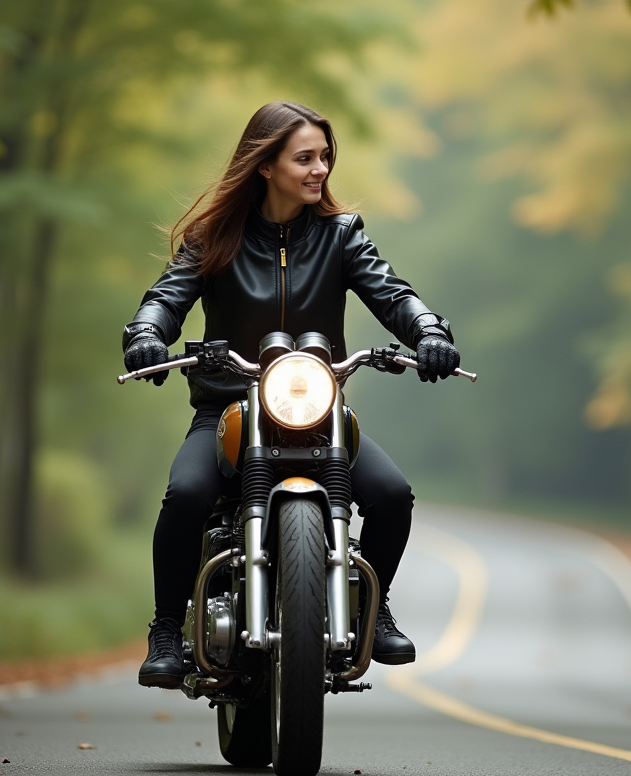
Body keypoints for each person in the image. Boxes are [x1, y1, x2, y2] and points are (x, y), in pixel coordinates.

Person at [123, 101, 460, 688]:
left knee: (393, 495)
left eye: (325, 157)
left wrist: (429, 329)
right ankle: (167, 630)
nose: (320, 169)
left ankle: (369, 607)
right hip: (227, 409)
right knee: (186, 494)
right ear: (264, 164)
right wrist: (148, 333)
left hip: (319, 413)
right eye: (304, 158)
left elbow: (392, 292)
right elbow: (166, 296)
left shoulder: (341, 235)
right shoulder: (214, 238)